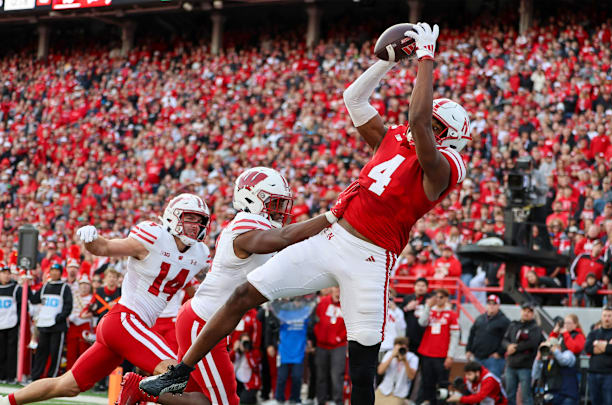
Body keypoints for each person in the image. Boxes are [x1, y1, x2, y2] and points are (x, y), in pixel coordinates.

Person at [140, 23, 471, 405]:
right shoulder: (394, 139)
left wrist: (426, 57)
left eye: (434, 126)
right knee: (243, 294)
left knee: (361, 367)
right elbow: (354, 99)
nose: (423, 128)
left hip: (371, 258)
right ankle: (180, 373)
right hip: (331, 239)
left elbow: (418, 120)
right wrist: (387, 63)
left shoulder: (443, 169)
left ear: (450, 139)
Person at [118, 167, 358, 405]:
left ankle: (139, 388)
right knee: (226, 401)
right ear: (251, 199)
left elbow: (291, 245)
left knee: (202, 398)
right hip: (203, 323)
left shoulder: (257, 225)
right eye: (274, 202)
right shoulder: (245, 223)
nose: (281, 209)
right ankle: (140, 389)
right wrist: (329, 216)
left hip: (205, 320)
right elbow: (283, 238)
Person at [0, 193, 213, 405]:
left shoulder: (200, 255)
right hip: (125, 320)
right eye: (189, 218)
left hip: (126, 328)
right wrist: (91, 240)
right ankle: (136, 389)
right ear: (173, 217)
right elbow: (105, 247)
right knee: (178, 376)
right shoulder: (153, 237)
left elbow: (193, 290)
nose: (195, 226)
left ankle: (3, 402)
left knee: (67, 385)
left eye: (199, 220)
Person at [29, 262, 73, 380]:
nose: (54, 273)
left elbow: (68, 306)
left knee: (55, 353)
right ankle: (35, 377)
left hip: (57, 326)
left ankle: (52, 377)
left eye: (57, 271)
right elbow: (34, 299)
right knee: (40, 353)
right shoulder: (45, 286)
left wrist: (59, 318)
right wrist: (27, 287)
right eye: (52, 270)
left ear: (60, 273)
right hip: (44, 325)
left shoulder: (65, 287)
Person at [417, 288, 460, 404]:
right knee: (427, 381)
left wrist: (450, 356)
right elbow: (422, 322)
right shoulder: (430, 311)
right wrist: (427, 307)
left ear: (446, 298)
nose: (438, 299)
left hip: (442, 355)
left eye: (441, 297)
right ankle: (427, 401)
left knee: (443, 383)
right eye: (436, 297)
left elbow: (455, 336)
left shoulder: (451, 314)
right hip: (427, 353)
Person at [502, 302, 542, 405]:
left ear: (533, 314)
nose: (526, 313)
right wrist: (508, 346)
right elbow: (504, 340)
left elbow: (533, 343)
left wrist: (515, 347)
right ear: (521, 311)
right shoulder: (513, 324)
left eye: (529, 311)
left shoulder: (535, 328)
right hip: (511, 365)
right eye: (525, 310)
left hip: (526, 366)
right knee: (509, 394)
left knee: (526, 396)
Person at [313, 287, 347, 405]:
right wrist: (318, 335)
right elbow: (315, 319)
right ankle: (321, 401)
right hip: (321, 345)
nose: (338, 290)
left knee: (336, 376)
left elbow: (349, 325)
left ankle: (338, 401)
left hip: (339, 346)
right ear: (331, 289)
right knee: (321, 376)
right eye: (336, 287)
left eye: (340, 288)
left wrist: (339, 337)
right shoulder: (322, 302)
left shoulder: (347, 304)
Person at [585, 306, 612, 405]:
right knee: (595, 402)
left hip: (610, 374)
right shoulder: (593, 333)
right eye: (605, 316)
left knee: (609, 402)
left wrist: (597, 344)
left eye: (609, 316)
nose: (607, 318)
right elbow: (588, 348)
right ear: (601, 317)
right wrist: (607, 345)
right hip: (593, 373)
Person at [0, 263, 22, 384]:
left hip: (11, 323)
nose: (6, 276)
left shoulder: (16, 288)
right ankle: (2, 375)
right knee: (1, 351)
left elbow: (21, 307)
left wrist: (18, 321)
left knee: (11, 352)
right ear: (0, 275)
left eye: (8, 273)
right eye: (4, 273)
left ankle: (10, 376)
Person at [465, 294, 509, 378]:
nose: (491, 306)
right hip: (477, 357)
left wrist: (500, 353)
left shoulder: (504, 321)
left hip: (493, 359)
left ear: (498, 306)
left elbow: (508, 338)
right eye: (489, 303)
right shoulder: (480, 318)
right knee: (477, 383)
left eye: (494, 304)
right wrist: (468, 350)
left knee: (492, 382)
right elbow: (472, 334)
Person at [531, 338, 579, 405]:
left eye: (551, 347)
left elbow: (563, 361)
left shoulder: (568, 354)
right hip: (552, 395)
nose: (549, 350)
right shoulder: (547, 361)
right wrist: (538, 358)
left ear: (559, 347)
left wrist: (554, 350)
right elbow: (535, 375)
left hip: (567, 395)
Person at [376, 336, 418, 405]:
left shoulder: (413, 358)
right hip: (383, 389)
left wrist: (405, 361)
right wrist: (392, 356)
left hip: (399, 393)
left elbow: (411, 377)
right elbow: (380, 371)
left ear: (407, 348)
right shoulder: (390, 354)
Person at [65, 273, 93, 371]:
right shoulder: (73, 296)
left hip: (84, 325)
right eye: (82, 284)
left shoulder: (92, 298)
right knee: (71, 352)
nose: (84, 287)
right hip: (73, 325)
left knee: (83, 351)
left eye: (86, 285)